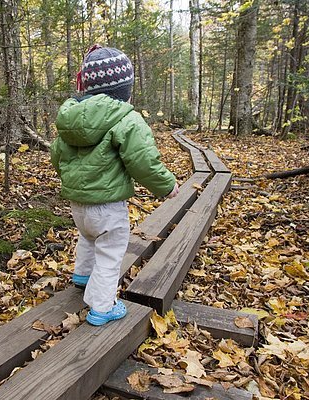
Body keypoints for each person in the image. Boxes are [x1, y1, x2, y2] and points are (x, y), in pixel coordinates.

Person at [50, 45, 179, 326]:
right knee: (109, 253)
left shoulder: (69, 120)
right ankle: (102, 307)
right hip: (108, 207)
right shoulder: (127, 119)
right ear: (125, 90)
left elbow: (57, 156)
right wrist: (167, 186)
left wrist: (73, 180)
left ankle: (83, 276)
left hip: (78, 206)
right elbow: (143, 161)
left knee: (87, 238)